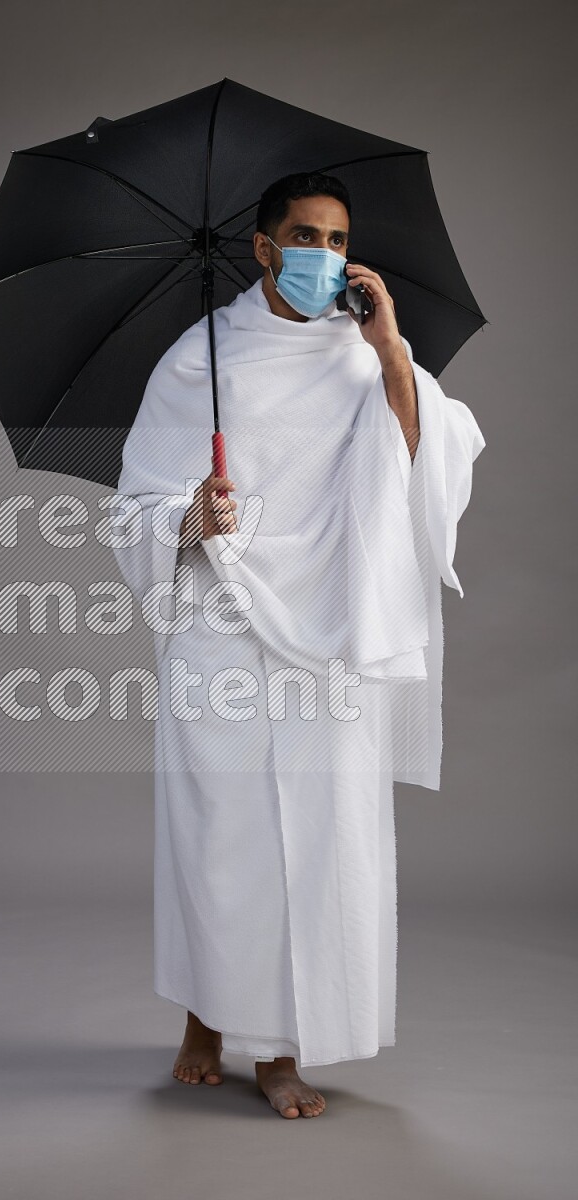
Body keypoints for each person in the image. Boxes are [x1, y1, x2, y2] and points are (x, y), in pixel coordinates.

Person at [112, 172, 485, 1119]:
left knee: (318, 842)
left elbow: (425, 458)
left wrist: (392, 347)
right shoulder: (196, 361)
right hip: (220, 636)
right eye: (305, 238)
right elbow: (134, 511)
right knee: (220, 839)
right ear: (264, 248)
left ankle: (279, 1049)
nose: (324, 256)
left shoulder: (361, 356)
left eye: (337, 239)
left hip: (330, 636)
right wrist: (190, 516)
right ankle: (207, 1013)